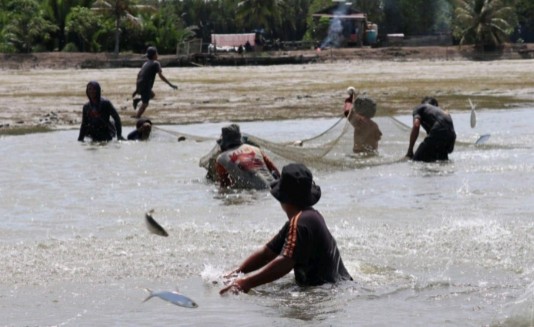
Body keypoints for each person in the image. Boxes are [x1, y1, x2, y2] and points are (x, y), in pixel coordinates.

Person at [219, 163, 353, 295]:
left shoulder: (300, 223)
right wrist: (237, 272)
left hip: (328, 292)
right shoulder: (307, 217)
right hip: (339, 288)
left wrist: (246, 282)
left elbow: (285, 262)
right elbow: (267, 253)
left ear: (283, 198)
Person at [215, 124, 280, 189]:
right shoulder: (256, 149)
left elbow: (225, 185)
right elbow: (275, 171)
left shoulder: (221, 158)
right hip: (275, 186)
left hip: (256, 192)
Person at [405, 97, 456, 162]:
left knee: (416, 161)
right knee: (441, 161)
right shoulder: (443, 112)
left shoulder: (420, 107)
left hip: (438, 129)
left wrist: (410, 150)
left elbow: (416, 125)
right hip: (451, 136)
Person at [132, 46, 177, 118]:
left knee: (152, 95)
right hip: (145, 86)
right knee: (145, 104)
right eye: (157, 53)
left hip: (140, 84)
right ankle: (137, 117)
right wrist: (170, 84)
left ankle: (137, 100)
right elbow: (161, 76)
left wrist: (137, 89)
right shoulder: (156, 63)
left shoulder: (145, 63)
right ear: (154, 55)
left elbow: (139, 75)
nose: (157, 55)